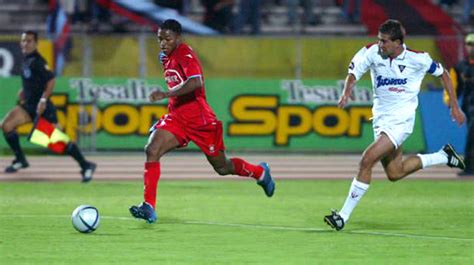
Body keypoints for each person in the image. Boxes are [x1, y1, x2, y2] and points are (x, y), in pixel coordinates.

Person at [324, 19, 466, 231]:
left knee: (367, 160)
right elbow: (353, 73)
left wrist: (454, 106)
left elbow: (443, 74)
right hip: (381, 119)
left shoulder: (418, 59)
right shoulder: (372, 52)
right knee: (395, 173)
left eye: (384, 42)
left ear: (398, 43)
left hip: (401, 121)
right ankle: (443, 156)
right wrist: (346, 92)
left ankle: (342, 217)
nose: (380, 45)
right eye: (379, 40)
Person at [129, 19, 275, 223]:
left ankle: (260, 172)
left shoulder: (185, 53)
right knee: (152, 149)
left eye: (167, 39)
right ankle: (148, 206)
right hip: (177, 118)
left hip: (201, 121)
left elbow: (196, 82)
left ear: (178, 38)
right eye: (159, 39)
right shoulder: (165, 57)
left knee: (222, 167)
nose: (163, 43)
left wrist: (165, 93)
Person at [0, 30, 96, 182]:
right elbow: (32, 81)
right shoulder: (27, 59)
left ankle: (85, 165)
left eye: (29, 41)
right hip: (28, 106)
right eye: (23, 41)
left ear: (36, 43)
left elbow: (50, 80)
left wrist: (43, 100)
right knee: (6, 125)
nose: (25, 43)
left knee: (57, 142)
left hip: (43, 109)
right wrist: (23, 91)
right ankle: (20, 160)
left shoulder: (38, 61)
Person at [446, 33, 474, 176]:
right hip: (469, 108)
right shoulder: (460, 67)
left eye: (473, 44)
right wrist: (450, 103)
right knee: (471, 136)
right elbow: (452, 86)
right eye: (469, 44)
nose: (471, 47)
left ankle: (470, 167)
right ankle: (470, 167)